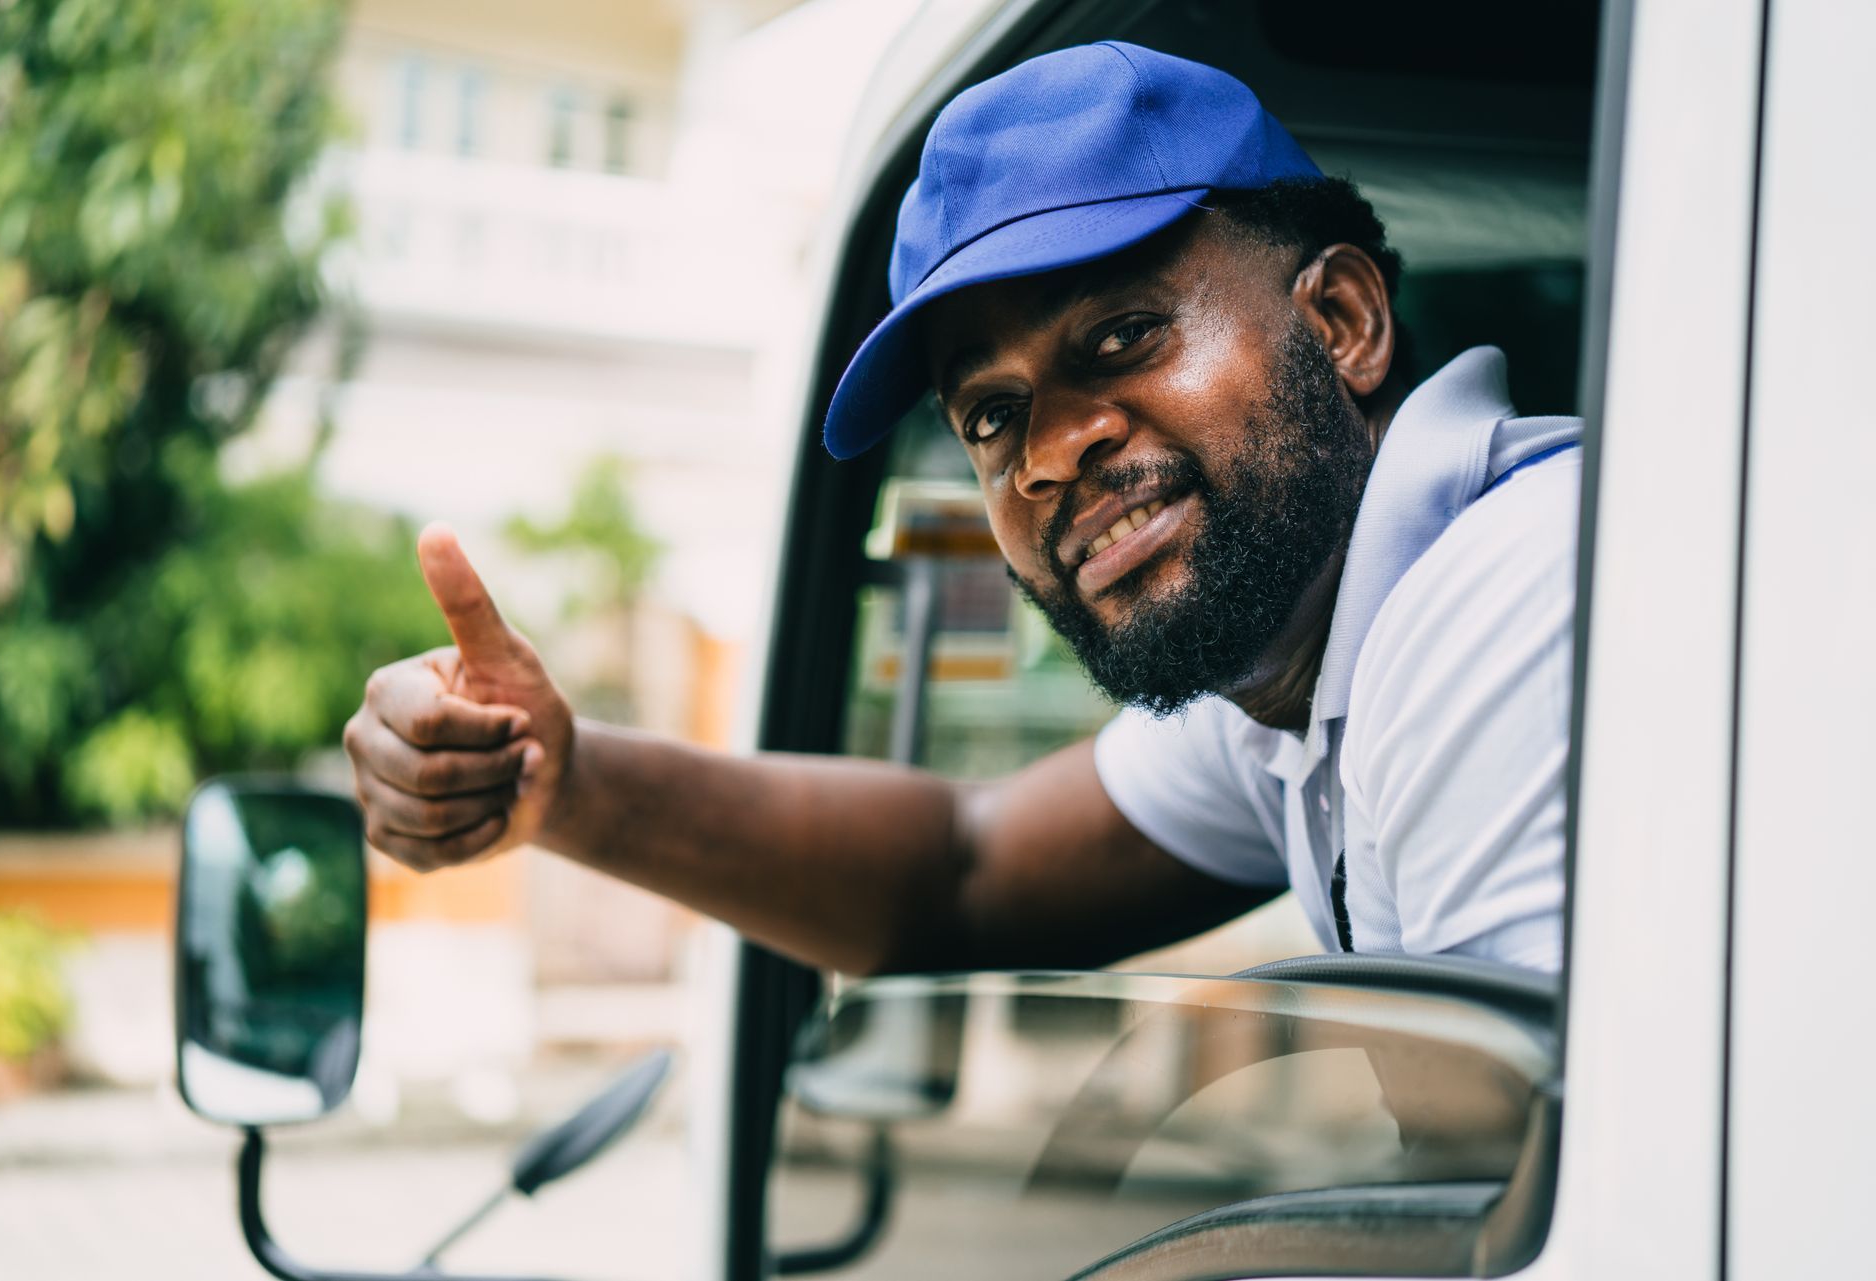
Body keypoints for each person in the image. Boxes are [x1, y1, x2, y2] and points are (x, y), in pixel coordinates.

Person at [341, 42, 1578, 976]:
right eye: (989, 416)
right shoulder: (1303, 678)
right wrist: (563, 785)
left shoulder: (1510, 602)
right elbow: (960, 873)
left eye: (1123, 335)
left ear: (1342, 322)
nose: (1045, 454)